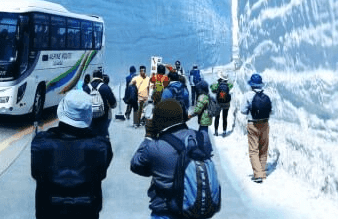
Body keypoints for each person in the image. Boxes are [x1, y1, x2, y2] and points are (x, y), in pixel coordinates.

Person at [30, 90, 114, 219]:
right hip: (87, 212)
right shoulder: (101, 145)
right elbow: (101, 173)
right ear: (88, 115)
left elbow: (36, 173)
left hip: (48, 211)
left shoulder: (40, 143)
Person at [130, 99, 213, 219]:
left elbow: (136, 165)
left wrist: (149, 136)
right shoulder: (201, 138)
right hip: (197, 208)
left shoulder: (156, 146)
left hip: (166, 210)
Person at [241, 73, 272, 183]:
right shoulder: (266, 95)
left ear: (251, 84)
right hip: (265, 124)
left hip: (252, 124)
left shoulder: (247, 95)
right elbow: (271, 110)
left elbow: (243, 110)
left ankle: (258, 174)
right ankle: (262, 171)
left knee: (254, 150)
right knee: (263, 148)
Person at [83, 69, 117, 137]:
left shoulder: (86, 88)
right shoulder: (106, 87)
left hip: (90, 118)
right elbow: (113, 104)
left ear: (92, 77)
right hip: (104, 118)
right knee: (104, 134)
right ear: (101, 77)